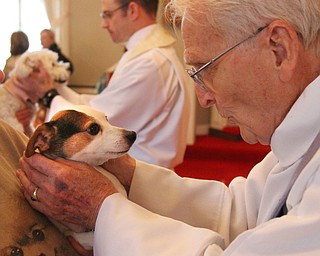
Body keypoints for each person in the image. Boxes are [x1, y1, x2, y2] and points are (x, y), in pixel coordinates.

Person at [17, 0, 320, 255]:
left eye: (205, 69)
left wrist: (104, 213)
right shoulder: (299, 139)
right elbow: (241, 213)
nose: (203, 99)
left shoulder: (150, 61)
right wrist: (132, 176)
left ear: (279, 48)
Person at [34, 0, 191, 169]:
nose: (103, 24)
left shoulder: (150, 62)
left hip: (139, 174)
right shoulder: (147, 55)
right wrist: (55, 87)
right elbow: (100, 104)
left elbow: (95, 120)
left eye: (107, 15)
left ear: (132, 10)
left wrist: (48, 93)